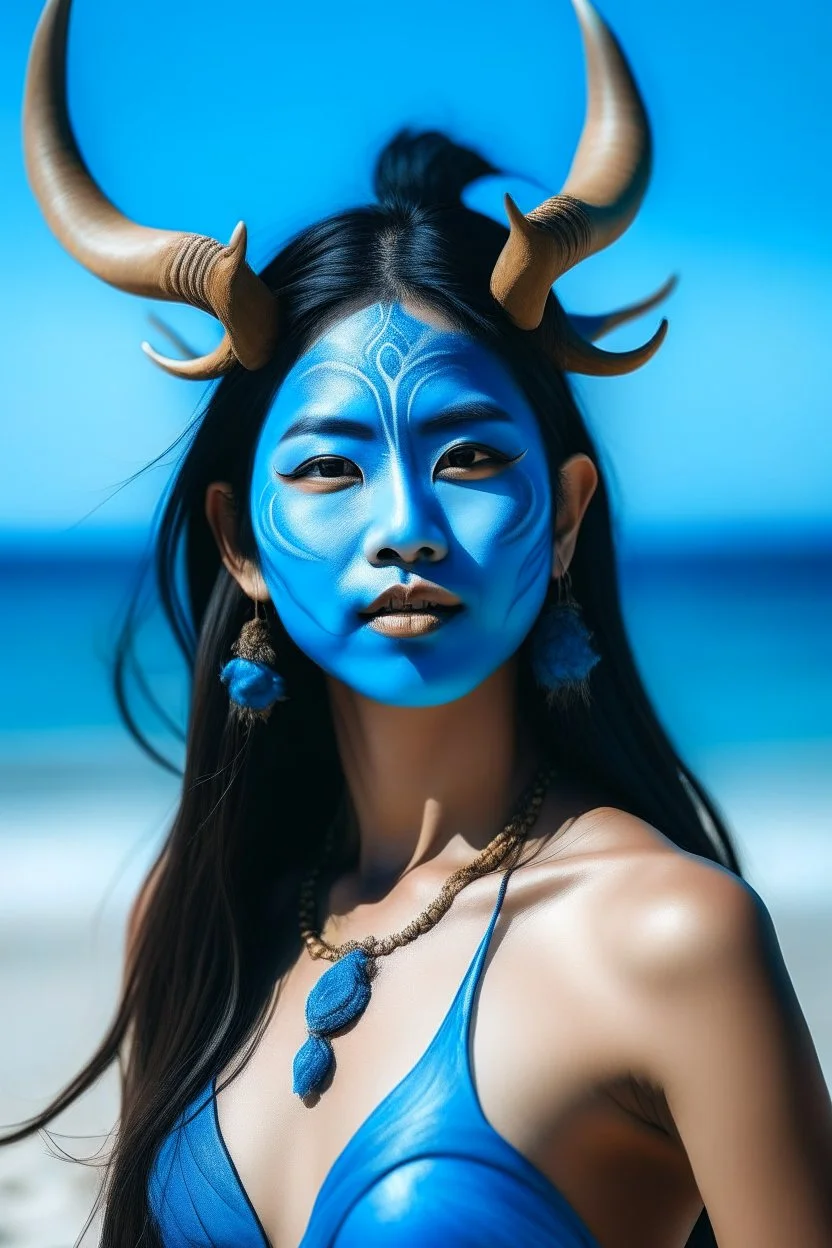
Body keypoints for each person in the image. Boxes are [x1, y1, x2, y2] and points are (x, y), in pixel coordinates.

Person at [8, 0, 832, 1244]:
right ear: (242, 546)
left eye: (465, 458)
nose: (405, 525)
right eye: (331, 469)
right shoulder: (192, 917)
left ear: (562, 517)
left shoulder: (671, 939)